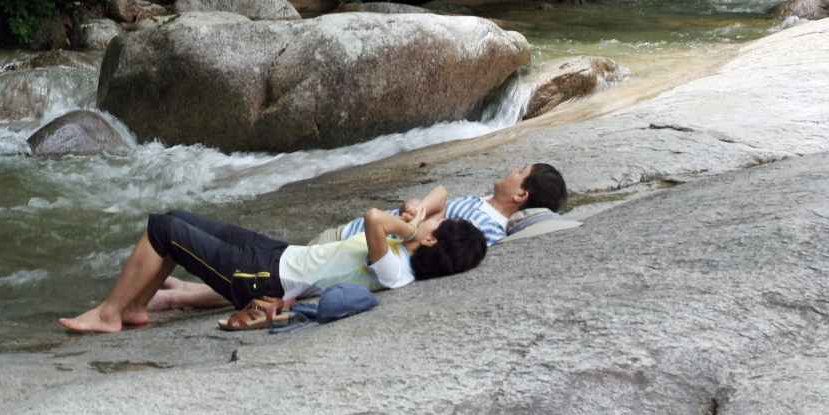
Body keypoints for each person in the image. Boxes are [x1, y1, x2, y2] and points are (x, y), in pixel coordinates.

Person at [146, 162, 566, 313]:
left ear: (521, 193)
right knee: (278, 272)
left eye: (519, 170)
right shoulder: (480, 205)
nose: (512, 168)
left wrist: (410, 226)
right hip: (361, 238)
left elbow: (442, 237)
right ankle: (183, 288)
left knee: (279, 278)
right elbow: (440, 200)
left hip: (358, 245)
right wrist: (418, 209)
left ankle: (178, 296)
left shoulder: (486, 227)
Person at [58, 201, 488, 334]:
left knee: (163, 229)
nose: (429, 221)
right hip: (278, 254)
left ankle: (110, 314)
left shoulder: (397, 270)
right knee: (179, 220)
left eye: (434, 225)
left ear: (431, 240)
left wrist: (407, 225)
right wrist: (416, 224)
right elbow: (433, 198)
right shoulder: (401, 257)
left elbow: (375, 218)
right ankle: (137, 306)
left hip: (266, 277)